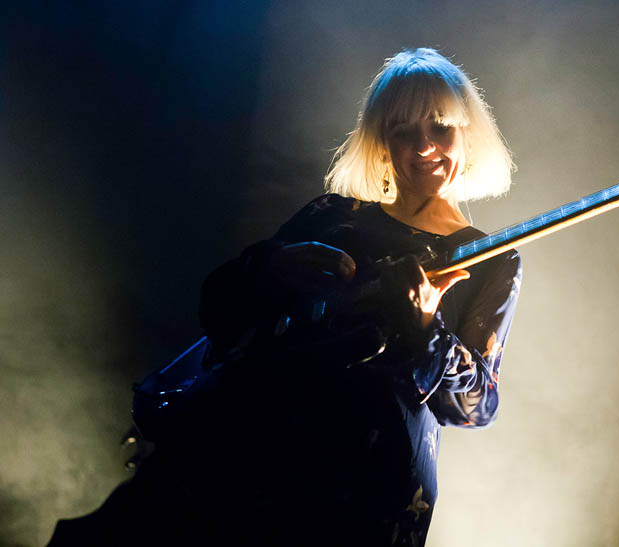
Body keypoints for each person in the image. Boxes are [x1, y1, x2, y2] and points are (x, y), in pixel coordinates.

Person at [49, 47, 522, 547]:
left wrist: (428, 329)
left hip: (366, 489)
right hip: (252, 458)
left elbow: (475, 406)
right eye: (404, 130)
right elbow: (218, 309)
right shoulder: (333, 216)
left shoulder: (492, 259)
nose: (424, 146)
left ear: (466, 134)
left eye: (440, 127)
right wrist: (270, 268)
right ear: (383, 142)